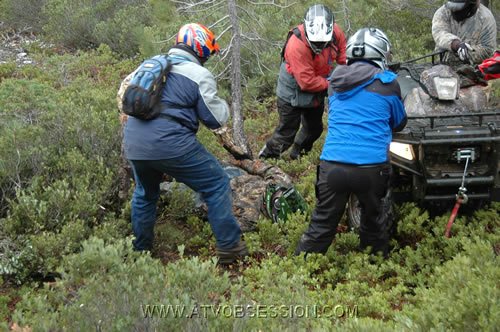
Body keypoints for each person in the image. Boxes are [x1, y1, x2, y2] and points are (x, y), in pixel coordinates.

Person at [122, 23, 248, 264]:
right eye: (208, 52)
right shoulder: (198, 74)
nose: (208, 58)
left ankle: (141, 253)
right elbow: (215, 118)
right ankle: (230, 248)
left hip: (135, 141)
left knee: (145, 193)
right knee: (216, 183)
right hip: (170, 144)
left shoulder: (149, 65)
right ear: (199, 47)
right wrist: (226, 105)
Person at [295, 28, 407, 258]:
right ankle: (376, 274)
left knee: (322, 223)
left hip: (333, 164)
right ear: (380, 53)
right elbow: (399, 122)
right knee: (374, 224)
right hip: (371, 167)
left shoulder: (334, 82)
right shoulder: (389, 84)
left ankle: (301, 271)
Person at [259, 4, 347, 160]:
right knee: (286, 134)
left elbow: (343, 58)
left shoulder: (336, 33)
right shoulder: (296, 46)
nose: (319, 47)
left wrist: (349, 74)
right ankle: (266, 159)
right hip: (292, 90)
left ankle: (298, 156)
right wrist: (332, 83)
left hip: (317, 85)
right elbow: (306, 82)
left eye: (322, 44)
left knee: (314, 129)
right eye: (316, 43)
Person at [432, 0, 496, 65]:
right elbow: (439, 32)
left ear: (472, 5)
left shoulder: (485, 17)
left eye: (459, 8)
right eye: (452, 7)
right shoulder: (443, 12)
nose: (454, 11)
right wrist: (456, 44)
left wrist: (466, 52)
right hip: (442, 63)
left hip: (473, 69)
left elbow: (488, 49)